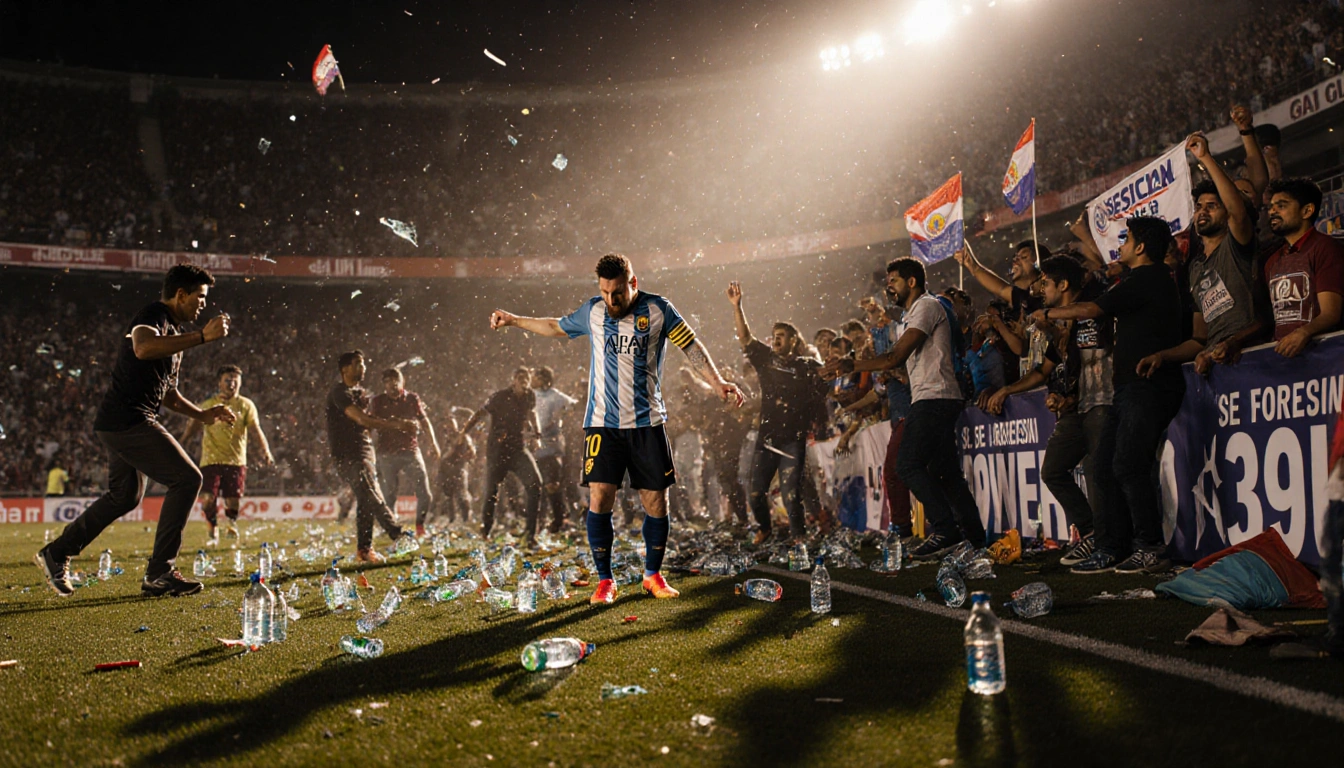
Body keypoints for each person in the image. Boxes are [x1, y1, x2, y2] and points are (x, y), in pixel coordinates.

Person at [488, 253, 743, 604]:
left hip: (647, 423)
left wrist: (718, 383)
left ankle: (652, 575)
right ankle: (605, 580)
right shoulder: (593, 312)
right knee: (600, 498)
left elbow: (691, 346)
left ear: (633, 284)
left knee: (656, 502)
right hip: (602, 425)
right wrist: (514, 320)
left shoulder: (658, 310)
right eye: (605, 292)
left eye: (618, 292)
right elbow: (555, 327)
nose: (611, 300)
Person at [35, 264, 235, 598]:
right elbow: (142, 347)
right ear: (180, 294)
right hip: (128, 419)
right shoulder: (154, 314)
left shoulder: (173, 334)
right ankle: (160, 573)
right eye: (199, 297)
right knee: (187, 479)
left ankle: (56, 552)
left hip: (121, 421)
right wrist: (202, 337)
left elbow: (168, 393)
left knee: (125, 496)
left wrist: (201, 414)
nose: (203, 305)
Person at [1032, 217, 1188, 575]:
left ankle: (1149, 546)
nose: (1123, 244)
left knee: (1129, 466)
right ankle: (1112, 545)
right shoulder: (1139, 280)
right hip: (1128, 389)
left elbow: (1092, 309)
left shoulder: (1149, 277)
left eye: (1128, 238)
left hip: (1148, 387)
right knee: (1103, 467)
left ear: (1142, 247)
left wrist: (1049, 313)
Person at [824, 258, 985, 559]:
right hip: (935, 396)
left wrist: (852, 364)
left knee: (907, 466)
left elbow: (894, 358)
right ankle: (976, 538)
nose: (888, 287)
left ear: (912, 282)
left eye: (894, 280)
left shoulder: (926, 306)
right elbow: (896, 365)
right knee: (945, 473)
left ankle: (946, 530)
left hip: (934, 398)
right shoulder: (912, 315)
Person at [983, 256, 1115, 565]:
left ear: (1064, 285)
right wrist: (1007, 389)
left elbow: (1104, 356)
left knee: (1099, 474)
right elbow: (1044, 370)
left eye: (1046, 282)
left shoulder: (1092, 309)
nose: (1041, 288)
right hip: (1076, 410)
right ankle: (1092, 533)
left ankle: (1110, 544)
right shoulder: (1063, 323)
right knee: (1053, 471)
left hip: (1102, 404)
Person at [1133, 133, 1264, 378]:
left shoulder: (1237, 246)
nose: (1202, 212)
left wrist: (1204, 157)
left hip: (1252, 356)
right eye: (1199, 207)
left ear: (1226, 214)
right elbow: (1200, 338)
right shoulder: (1195, 268)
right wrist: (1163, 355)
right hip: (1216, 363)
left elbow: (1238, 213)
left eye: (1212, 206)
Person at [726, 280, 827, 544]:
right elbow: (746, 337)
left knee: (791, 492)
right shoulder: (765, 360)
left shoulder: (807, 365)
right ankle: (764, 527)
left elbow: (829, 377)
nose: (776, 338)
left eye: (782, 334)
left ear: (794, 340)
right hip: (767, 439)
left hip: (793, 440)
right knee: (756, 492)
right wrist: (738, 307)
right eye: (774, 334)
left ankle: (799, 536)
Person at [325, 350, 417, 563]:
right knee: (371, 493)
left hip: (365, 452)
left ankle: (364, 550)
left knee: (366, 500)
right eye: (358, 363)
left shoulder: (358, 392)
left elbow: (370, 420)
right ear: (345, 369)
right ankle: (397, 534)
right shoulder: (339, 392)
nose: (363, 367)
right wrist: (398, 425)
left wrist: (393, 420)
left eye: (364, 364)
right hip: (348, 455)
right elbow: (362, 420)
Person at [181, 364, 274, 545]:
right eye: (227, 380)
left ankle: (231, 524)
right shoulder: (209, 405)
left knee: (232, 501)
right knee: (208, 498)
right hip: (210, 460)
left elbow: (256, 430)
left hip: (236, 461)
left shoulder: (246, 406)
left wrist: (266, 451)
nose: (231, 383)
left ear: (240, 383)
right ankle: (212, 527)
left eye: (235, 380)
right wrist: (182, 442)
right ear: (219, 383)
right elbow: (193, 425)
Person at [458, 367, 545, 545]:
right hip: (497, 451)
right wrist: (465, 432)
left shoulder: (529, 396)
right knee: (492, 492)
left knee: (535, 483)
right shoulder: (500, 397)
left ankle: (531, 534)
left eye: (526, 378)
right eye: (519, 377)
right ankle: (486, 530)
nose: (523, 381)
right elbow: (481, 413)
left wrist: (537, 435)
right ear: (513, 381)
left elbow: (532, 413)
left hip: (518, 450)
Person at [1262, 177, 1344, 357]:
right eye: (1271, 207)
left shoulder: (1325, 248)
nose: (1272, 211)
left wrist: (1304, 332)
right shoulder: (1272, 262)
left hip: (1324, 359)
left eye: (1281, 206)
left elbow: (1331, 313)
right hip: (1286, 364)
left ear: (1307, 211)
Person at [370, 367, 440, 538]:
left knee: (424, 493)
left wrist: (433, 443)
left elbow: (425, 421)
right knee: (389, 494)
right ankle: (392, 530)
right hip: (386, 453)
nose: (392, 383)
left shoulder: (412, 398)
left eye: (396, 379)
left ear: (402, 381)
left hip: (410, 450)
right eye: (388, 381)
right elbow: (370, 423)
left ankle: (420, 526)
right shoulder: (378, 401)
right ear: (384, 384)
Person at [532, 366, 579, 534]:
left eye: (535, 376)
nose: (532, 379)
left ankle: (559, 518)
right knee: (537, 485)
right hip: (534, 447)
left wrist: (563, 418)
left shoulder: (556, 396)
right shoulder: (531, 396)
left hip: (551, 447)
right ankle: (540, 521)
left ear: (544, 379)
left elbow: (573, 405)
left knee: (552, 484)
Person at [435, 414, 476, 526]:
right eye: (447, 425)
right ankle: (452, 519)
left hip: (459, 469)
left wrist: (465, 457)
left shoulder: (462, 436)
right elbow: (442, 454)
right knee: (449, 496)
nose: (449, 427)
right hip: (446, 470)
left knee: (461, 494)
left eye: (451, 424)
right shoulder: (445, 438)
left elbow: (472, 451)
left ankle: (466, 517)